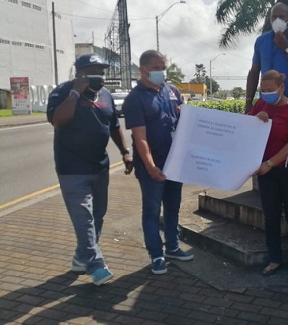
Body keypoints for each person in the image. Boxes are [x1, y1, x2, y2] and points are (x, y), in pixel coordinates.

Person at [47, 53, 133, 286]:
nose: (99, 75)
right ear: (80, 72)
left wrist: (124, 152)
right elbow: (58, 121)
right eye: (93, 70)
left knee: (97, 214)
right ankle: (95, 264)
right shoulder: (63, 91)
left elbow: (114, 125)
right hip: (72, 168)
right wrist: (75, 92)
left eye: (102, 70)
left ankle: (80, 257)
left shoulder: (105, 94)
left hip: (100, 166)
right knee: (83, 217)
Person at [122, 50, 194, 275]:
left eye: (163, 67)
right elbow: (139, 137)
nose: (161, 72)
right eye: (156, 67)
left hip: (175, 163)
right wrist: (151, 167)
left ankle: (172, 247)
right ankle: (156, 255)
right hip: (152, 166)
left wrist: (187, 113)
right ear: (143, 69)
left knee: (173, 208)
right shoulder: (135, 99)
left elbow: (184, 122)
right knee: (152, 211)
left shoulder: (172, 90)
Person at [248, 70, 288, 276]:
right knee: (271, 215)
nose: (266, 95)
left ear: (282, 88)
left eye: (270, 90)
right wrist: (256, 118)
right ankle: (274, 258)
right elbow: (244, 126)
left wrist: (270, 163)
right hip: (267, 173)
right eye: (262, 91)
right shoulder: (261, 105)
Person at [245, 2, 288, 112]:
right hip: (266, 104)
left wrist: (286, 48)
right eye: (274, 17)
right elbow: (254, 72)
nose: (277, 20)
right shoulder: (261, 41)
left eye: (282, 17)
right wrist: (248, 102)